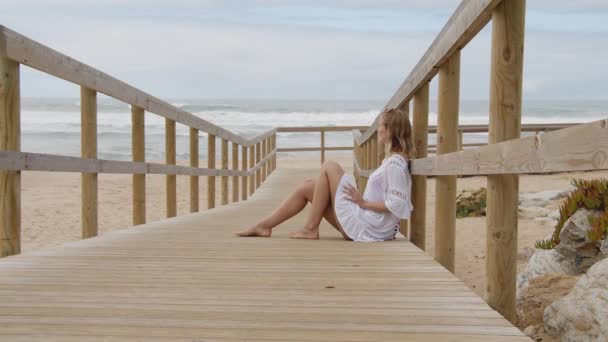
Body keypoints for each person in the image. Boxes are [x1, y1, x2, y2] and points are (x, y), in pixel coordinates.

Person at [235, 108, 414, 241]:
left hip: (369, 226)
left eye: (381, 126)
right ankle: (264, 226)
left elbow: (397, 204)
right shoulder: (391, 162)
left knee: (330, 166)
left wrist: (363, 202)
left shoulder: (395, 164)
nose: (378, 130)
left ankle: (310, 228)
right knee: (307, 186)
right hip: (366, 222)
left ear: (390, 130)